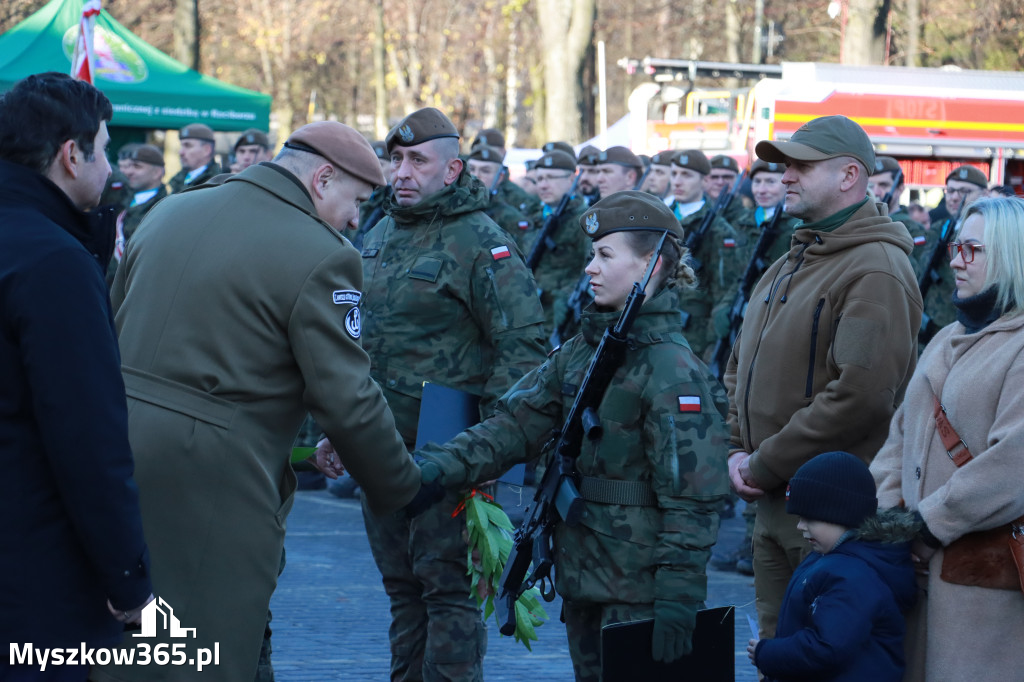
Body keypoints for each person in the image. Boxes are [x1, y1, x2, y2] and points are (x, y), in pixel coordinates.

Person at [97, 121, 428, 682]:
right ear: (323, 179)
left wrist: (299, 456)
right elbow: (346, 397)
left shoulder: (170, 212)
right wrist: (403, 486)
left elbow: (111, 330)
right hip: (215, 484)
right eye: (357, 201)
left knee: (122, 647)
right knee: (207, 651)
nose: (356, 220)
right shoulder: (323, 255)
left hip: (112, 455)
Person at [416, 190, 730, 681]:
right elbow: (513, 427)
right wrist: (432, 467)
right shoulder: (584, 351)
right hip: (585, 577)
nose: (590, 268)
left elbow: (693, 497)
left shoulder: (671, 368)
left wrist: (680, 596)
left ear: (650, 263)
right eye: (591, 255)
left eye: (606, 255)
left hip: (641, 589)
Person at [357, 107, 548, 682]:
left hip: (452, 455)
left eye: (418, 160)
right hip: (382, 448)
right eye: (396, 160)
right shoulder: (380, 231)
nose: (403, 173)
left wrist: (492, 455)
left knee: (450, 596)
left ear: (453, 168)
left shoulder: (481, 241)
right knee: (402, 592)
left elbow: (520, 352)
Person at [724, 115, 922, 639]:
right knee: (779, 653)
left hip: (830, 516)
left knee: (825, 658)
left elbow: (860, 396)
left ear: (849, 175)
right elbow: (738, 366)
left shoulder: (874, 269)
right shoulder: (793, 258)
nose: (784, 175)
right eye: (783, 165)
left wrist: (762, 462)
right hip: (773, 503)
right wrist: (735, 449)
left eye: (801, 166)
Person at [0, 71, 153, 680]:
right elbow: (87, 435)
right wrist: (126, 574)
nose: (110, 163)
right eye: (105, 146)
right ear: (71, 154)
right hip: (34, 576)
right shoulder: (52, 261)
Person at [871, 196, 1024, 682]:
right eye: (958, 246)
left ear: (1012, 254)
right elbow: (900, 436)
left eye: (973, 249)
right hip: (916, 574)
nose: (956, 259)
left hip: (982, 587)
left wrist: (926, 526)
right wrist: (891, 523)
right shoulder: (947, 335)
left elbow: (1013, 464)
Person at [748, 452, 918, 682]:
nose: (800, 526)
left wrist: (767, 653)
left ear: (842, 514)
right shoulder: (829, 557)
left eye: (810, 518)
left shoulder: (853, 576)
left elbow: (827, 647)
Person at [668, 149, 738, 358]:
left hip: (693, 337)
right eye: (674, 174)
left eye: (686, 175)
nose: (677, 181)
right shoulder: (659, 218)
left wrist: (711, 345)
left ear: (705, 181)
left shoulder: (719, 230)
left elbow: (723, 291)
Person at [525, 149, 589, 336]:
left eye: (551, 178)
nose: (543, 185)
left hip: (562, 318)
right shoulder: (532, 218)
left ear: (571, 180)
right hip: (531, 314)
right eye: (540, 179)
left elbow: (588, 272)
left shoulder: (584, 221)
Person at [920, 165, 987, 344]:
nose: (955, 197)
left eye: (965, 191)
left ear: (985, 194)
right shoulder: (938, 228)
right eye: (950, 191)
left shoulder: (989, 233)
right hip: (932, 322)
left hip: (967, 324)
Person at [868, 156, 931, 279]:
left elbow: (918, 274)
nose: (875, 192)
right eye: (870, 185)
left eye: (883, 185)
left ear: (900, 188)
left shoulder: (913, 228)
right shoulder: (861, 221)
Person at [168, 122, 221, 193]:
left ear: (206, 150)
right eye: (181, 146)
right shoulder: (178, 180)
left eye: (188, 146)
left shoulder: (217, 182)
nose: (181, 152)